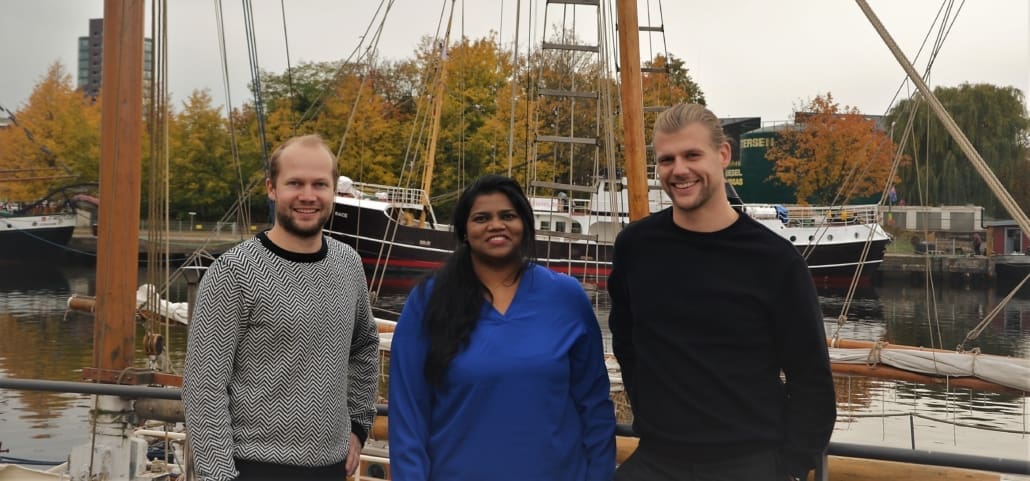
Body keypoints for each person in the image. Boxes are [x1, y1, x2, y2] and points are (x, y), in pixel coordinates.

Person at [608, 104, 836, 481]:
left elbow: (811, 377)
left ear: (724, 154)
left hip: (749, 463)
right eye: (667, 159)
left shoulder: (775, 261)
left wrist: (791, 466)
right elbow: (627, 343)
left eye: (692, 155)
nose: (679, 170)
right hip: (657, 459)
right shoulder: (635, 246)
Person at [389, 174, 615, 481]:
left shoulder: (567, 297)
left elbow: (595, 405)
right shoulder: (428, 301)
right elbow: (408, 413)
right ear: (465, 231)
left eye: (508, 215)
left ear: (524, 224)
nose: (496, 225)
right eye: (482, 217)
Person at [182, 134, 380, 481]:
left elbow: (363, 347)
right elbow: (204, 386)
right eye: (295, 183)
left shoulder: (348, 264)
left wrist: (359, 426)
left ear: (334, 190)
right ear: (272, 189)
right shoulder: (233, 272)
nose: (308, 195)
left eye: (320, 183)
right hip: (252, 468)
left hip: (331, 468)